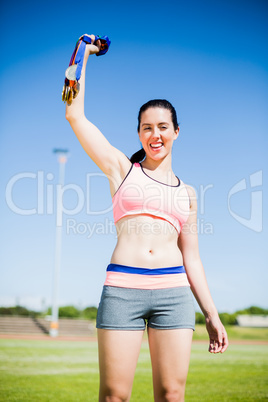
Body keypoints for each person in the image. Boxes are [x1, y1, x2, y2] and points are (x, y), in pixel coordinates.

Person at [65, 34, 228, 402]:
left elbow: (193, 259)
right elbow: (73, 114)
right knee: (114, 396)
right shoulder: (122, 169)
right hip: (123, 290)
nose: (155, 135)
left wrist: (212, 314)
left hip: (174, 295)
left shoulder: (188, 193)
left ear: (176, 132)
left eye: (163, 127)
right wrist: (83, 53)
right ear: (139, 133)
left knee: (172, 395)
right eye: (147, 128)